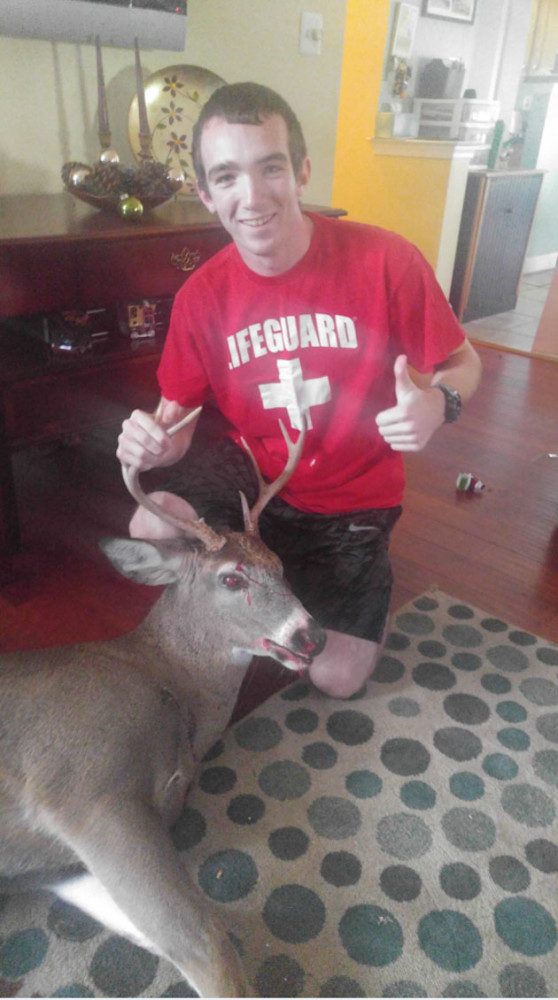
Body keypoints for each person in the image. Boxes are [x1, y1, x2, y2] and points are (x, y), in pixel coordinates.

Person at [116, 82, 481, 699]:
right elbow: (175, 427)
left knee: (335, 679)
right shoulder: (201, 297)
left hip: (353, 499)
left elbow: (463, 361)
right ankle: (252, 595)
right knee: (150, 526)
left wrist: (439, 404)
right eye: (227, 177)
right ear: (206, 193)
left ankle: (342, 578)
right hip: (252, 482)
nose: (252, 197)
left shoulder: (386, 261)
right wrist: (153, 445)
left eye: (271, 168)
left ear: (303, 171)